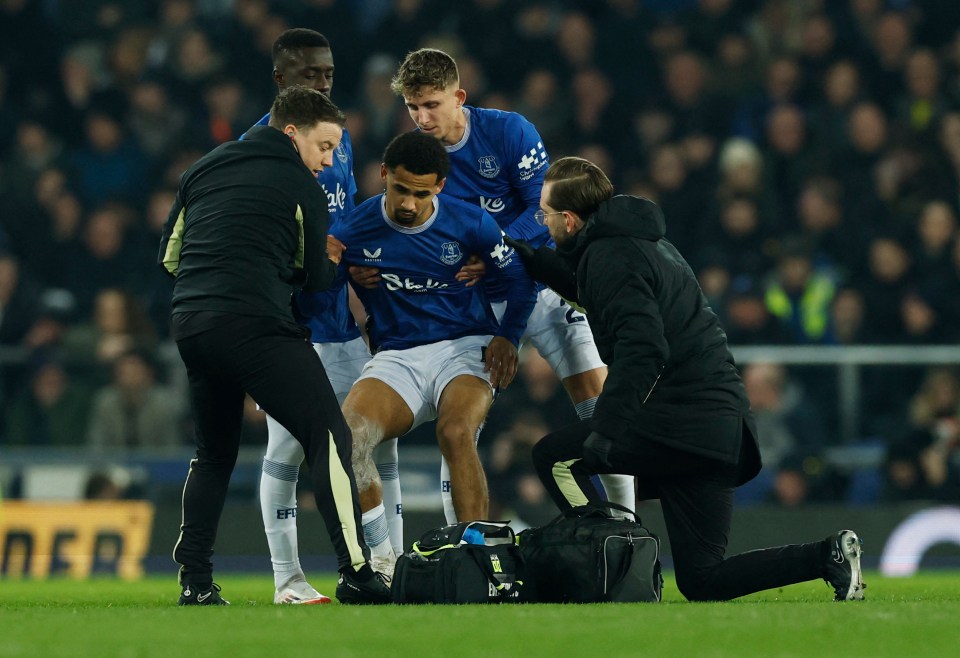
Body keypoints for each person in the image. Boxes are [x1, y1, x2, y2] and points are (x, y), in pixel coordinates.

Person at [513, 156, 865, 602]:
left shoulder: (608, 256)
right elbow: (603, 294)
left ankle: (611, 562)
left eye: (545, 213)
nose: (542, 221)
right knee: (702, 579)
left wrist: (607, 428)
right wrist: (538, 263)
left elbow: (645, 349)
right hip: (719, 429)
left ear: (568, 218)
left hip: (681, 420)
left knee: (554, 457)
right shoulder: (642, 243)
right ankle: (826, 556)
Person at [376, 47, 634, 521]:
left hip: (543, 288)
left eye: (431, 104)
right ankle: (463, 544)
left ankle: (625, 531)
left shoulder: (509, 131)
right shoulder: (417, 156)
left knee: (599, 412)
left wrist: (493, 249)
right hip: (477, 305)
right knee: (458, 426)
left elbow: (544, 212)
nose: (422, 117)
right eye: (413, 107)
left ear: (460, 97)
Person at [158, 85, 390, 606]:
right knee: (329, 436)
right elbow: (313, 278)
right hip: (254, 323)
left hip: (192, 323)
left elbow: (170, 257)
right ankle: (357, 570)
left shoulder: (203, 168)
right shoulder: (296, 179)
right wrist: (303, 267)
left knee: (214, 454)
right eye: (324, 146)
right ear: (292, 134)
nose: (328, 161)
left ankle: (194, 581)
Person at [242, 28, 402, 606]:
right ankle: (287, 578)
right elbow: (256, 250)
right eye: (312, 74)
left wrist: (358, 268)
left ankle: (393, 562)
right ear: (282, 80)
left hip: (341, 325)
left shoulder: (341, 137)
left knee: (375, 444)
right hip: (293, 332)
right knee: (286, 452)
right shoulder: (255, 148)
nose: (325, 82)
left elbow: (348, 215)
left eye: (330, 73)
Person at [337, 131, 536, 577]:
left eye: (421, 193)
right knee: (352, 437)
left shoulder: (471, 223)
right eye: (400, 189)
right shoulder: (354, 227)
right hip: (397, 356)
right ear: (384, 175)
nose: (408, 203)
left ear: (440, 187)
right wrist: (346, 271)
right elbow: (317, 272)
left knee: (455, 431)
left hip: (464, 348)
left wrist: (509, 335)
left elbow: (521, 279)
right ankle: (384, 562)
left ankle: (478, 563)